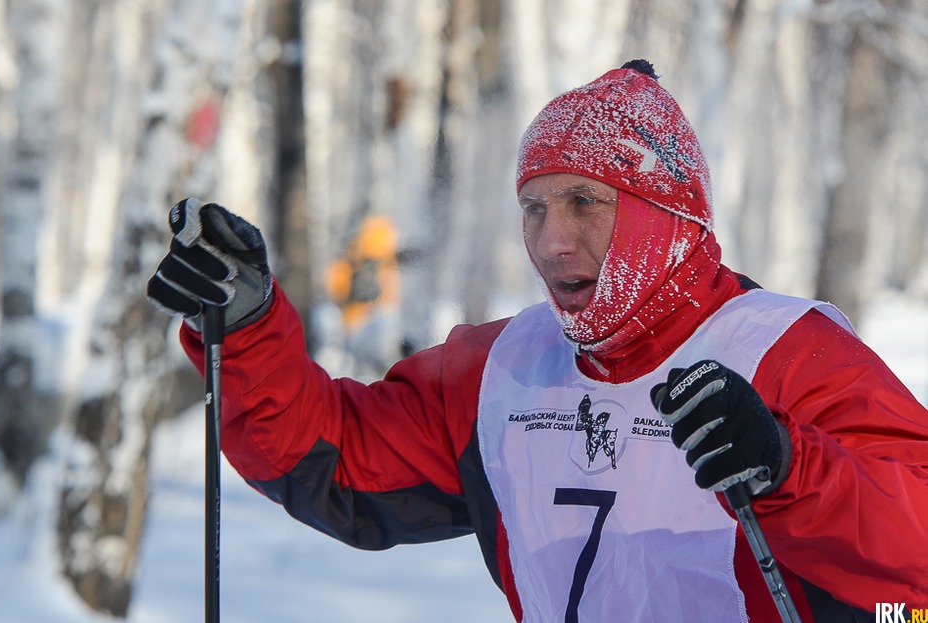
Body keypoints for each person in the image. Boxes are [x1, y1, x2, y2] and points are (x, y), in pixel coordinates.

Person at [147, 60, 928, 621]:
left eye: (586, 202)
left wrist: (791, 467)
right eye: (533, 207)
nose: (554, 242)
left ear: (665, 214)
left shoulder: (787, 351)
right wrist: (246, 331)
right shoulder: (503, 370)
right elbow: (336, 458)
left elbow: (916, 570)